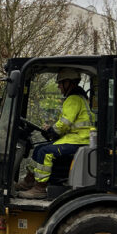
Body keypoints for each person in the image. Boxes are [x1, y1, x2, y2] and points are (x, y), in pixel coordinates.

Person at [18, 68, 92, 199]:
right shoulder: (79, 98)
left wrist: (52, 131)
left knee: (45, 152)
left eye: (60, 83)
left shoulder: (73, 99)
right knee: (38, 149)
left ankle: (40, 188)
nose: (58, 86)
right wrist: (51, 129)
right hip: (77, 138)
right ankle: (29, 181)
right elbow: (68, 122)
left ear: (69, 82)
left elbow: (64, 123)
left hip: (78, 140)